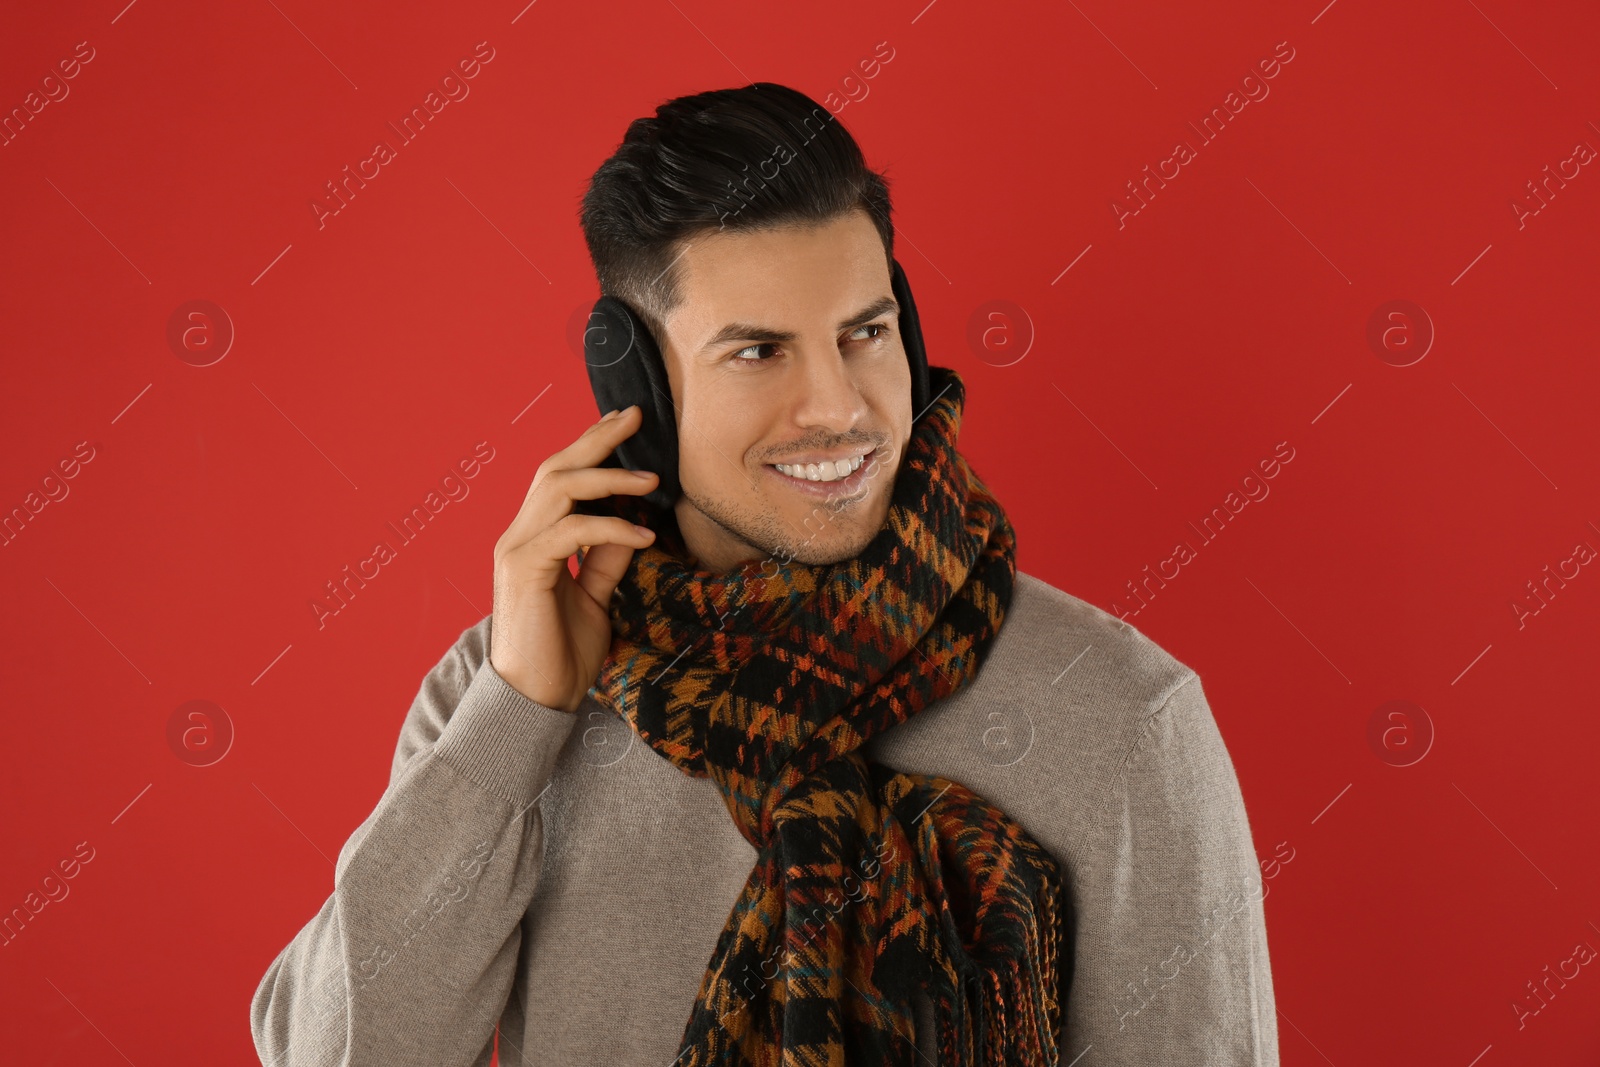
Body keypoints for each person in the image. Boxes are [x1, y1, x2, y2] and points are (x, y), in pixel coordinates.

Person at [250, 82, 1279, 1066]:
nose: (837, 405)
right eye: (758, 352)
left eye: (864, 333)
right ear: (634, 382)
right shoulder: (510, 693)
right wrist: (519, 713)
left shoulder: (1118, 713)